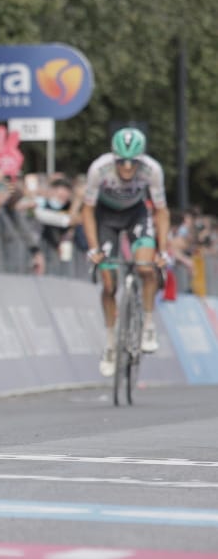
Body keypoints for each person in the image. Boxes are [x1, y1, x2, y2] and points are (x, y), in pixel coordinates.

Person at [83, 127, 169, 377]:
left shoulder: (152, 170)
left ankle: (148, 324)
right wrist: (93, 248)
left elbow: (161, 212)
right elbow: (87, 211)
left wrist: (162, 251)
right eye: (122, 162)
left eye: (134, 163)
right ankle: (110, 344)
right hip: (106, 218)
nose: (128, 168)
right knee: (109, 285)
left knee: (145, 267)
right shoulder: (99, 169)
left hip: (136, 214)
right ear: (114, 157)